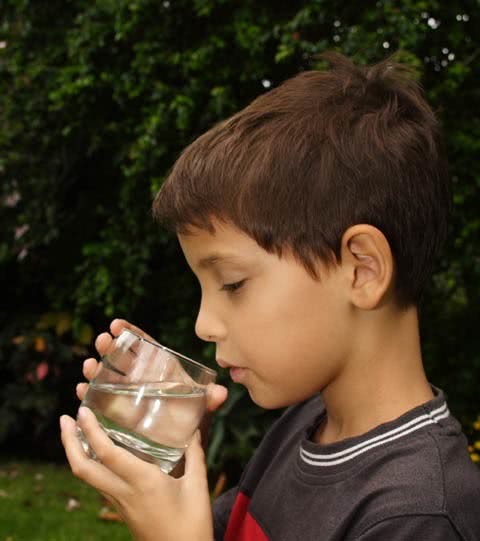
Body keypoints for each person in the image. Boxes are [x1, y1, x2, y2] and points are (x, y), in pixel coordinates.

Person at [60, 51, 480, 540]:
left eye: (232, 284)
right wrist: (172, 476)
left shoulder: (419, 517)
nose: (203, 325)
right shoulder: (303, 425)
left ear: (362, 269)